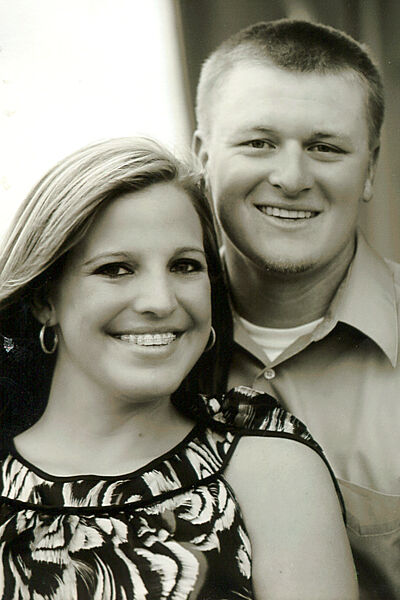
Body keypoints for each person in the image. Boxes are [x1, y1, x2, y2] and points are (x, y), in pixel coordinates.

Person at [0, 137, 356, 599]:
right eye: (116, 269)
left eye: (185, 266)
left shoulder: (270, 467)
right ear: (44, 300)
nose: (160, 301)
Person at [193, 17, 400, 600]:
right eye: (258, 143)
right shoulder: (131, 345)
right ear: (203, 155)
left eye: (324, 147)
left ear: (370, 169)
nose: (290, 178)